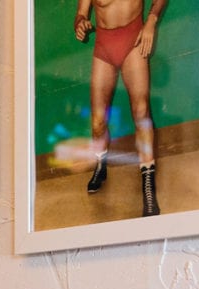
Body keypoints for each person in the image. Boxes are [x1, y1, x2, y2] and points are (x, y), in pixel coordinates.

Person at [74, 0, 167, 217]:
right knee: (97, 121)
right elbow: (81, 13)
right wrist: (80, 23)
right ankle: (101, 163)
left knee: (141, 111)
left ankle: (147, 181)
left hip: (133, 39)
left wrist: (151, 21)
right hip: (104, 45)